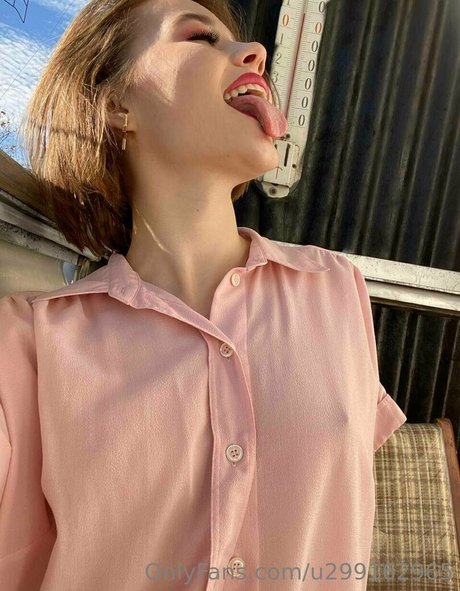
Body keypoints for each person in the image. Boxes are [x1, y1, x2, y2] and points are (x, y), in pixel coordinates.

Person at [0, 0, 407, 590]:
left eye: (238, 41)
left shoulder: (335, 288)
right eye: (199, 37)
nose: (255, 53)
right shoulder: (30, 342)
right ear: (115, 106)